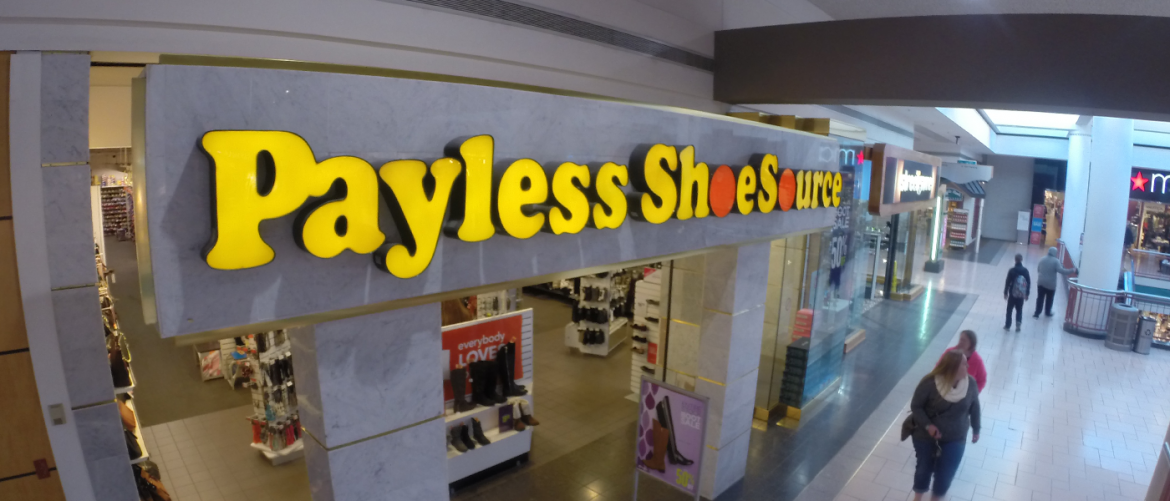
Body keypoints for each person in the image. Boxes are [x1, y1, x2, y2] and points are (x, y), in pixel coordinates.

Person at [910, 351, 981, 501]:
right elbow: (916, 406)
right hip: (926, 436)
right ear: (953, 366)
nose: (968, 366)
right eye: (964, 364)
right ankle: (917, 497)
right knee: (924, 468)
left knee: (946, 473)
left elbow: (975, 407)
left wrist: (976, 429)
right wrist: (928, 426)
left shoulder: (970, 384)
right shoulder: (930, 382)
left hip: (956, 437)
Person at [1034, 247, 1076, 318]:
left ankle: (1037, 313)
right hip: (1051, 284)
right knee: (1049, 299)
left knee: (1040, 298)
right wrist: (1072, 270)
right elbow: (1062, 271)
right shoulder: (1056, 261)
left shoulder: (1042, 259)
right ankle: (1047, 312)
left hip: (1041, 282)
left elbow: (1038, 269)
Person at [1004, 254, 1030, 331]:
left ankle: (1007, 325)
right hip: (1021, 294)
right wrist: (1027, 294)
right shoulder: (1025, 271)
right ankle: (1018, 324)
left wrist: (1005, 292)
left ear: (1015, 260)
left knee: (1009, 310)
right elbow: (1028, 283)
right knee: (1019, 310)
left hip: (1012, 293)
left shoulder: (1012, 270)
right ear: (1021, 260)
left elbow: (1007, 282)